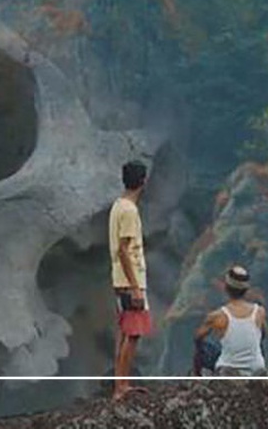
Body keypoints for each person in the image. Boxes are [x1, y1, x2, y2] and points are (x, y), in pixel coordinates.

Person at [109, 160, 150, 400]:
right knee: (133, 333)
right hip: (129, 280)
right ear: (143, 181)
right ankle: (121, 386)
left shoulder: (118, 206)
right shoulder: (129, 211)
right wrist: (135, 287)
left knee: (125, 332)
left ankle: (120, 383)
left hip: (121, 278)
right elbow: (124, 250)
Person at [193, 265, 268, 376]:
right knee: (258, 339)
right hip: (256, 367)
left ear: (226, 288)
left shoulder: (217, 316)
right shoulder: (259, 312)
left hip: (228, 367)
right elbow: (263, 334)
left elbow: (197, 337)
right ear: (246, 289)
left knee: (202, 347)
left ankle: (197, 379)